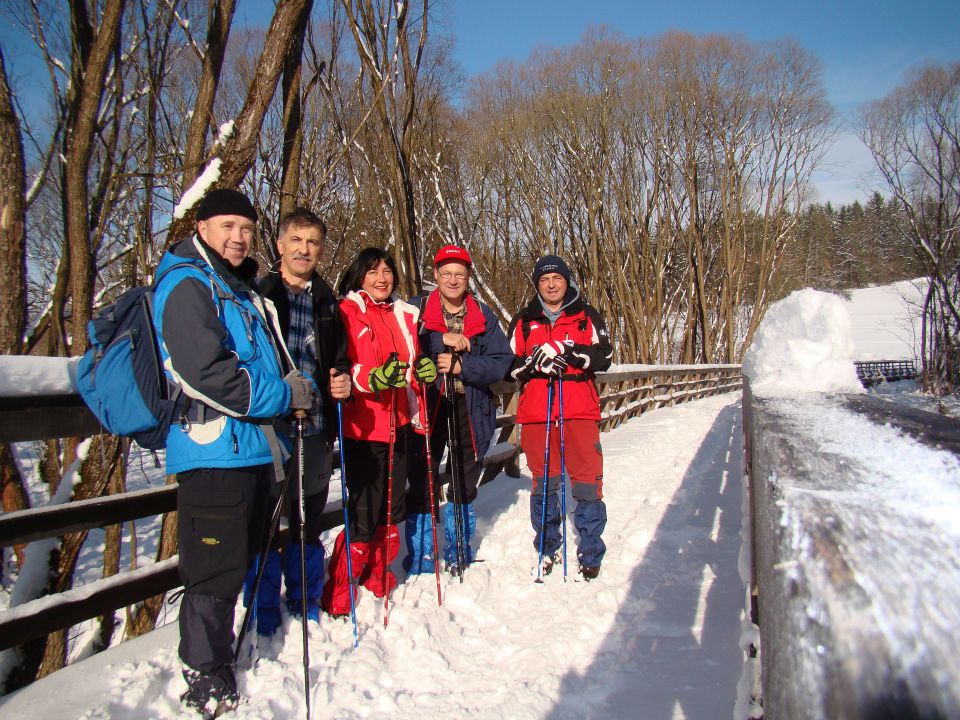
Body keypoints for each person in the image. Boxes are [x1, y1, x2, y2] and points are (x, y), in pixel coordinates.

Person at [151, 189, 315, 714]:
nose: (239, 238)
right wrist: (284, 394)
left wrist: (292, 387)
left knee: (237, 559)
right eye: (227, 226)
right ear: (202, 227)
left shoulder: (238, 290)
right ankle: (204, 674)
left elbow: (264, 361)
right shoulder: (186, 285)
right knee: (213, 570)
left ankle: (225, 654)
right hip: (212, 452)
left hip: (252, 452)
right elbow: (207, 374)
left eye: (246, 228)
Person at [242, 207, 352, 635]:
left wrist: (341, 378)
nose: (304, 250)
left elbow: (339, 356)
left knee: (307, 515)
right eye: (297, 241)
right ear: (280, 245)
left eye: (313, 243)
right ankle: (264, 610)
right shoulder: (260, 295)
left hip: (318, 424)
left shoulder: (328, 302)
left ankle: (304, 598)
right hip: (271, 426)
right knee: (267, 518)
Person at [320, 247, 436, 616]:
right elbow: (341, 367)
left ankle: (376, 574)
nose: (382, 278)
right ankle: (341, 585)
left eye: (387, 271)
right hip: (364, 427)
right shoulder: (347, 312)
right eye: (373, 271)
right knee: (366, 510)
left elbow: (414, 361)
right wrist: (370, 378)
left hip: (400, 422)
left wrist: (422, 372)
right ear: (359, 276)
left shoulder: (404, 314)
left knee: (392, 508)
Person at [404, 245, 513, 576]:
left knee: (465, 477)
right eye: (446, 273)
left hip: (471, 404)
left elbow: (502, 363)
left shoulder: (482, 315)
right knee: (423, 474)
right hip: (429, 401)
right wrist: (438, 349)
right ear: (435, 275)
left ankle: (457, 546)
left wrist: (463, 365)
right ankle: (423, 552)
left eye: (460, 274)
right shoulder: (416, 310)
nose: (453, 280)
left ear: (468, 277)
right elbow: (402, 349)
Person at [507, 255, 612, 580]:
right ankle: (547, 546)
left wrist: (574, 356)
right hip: (538, 412)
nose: (551, 285)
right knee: (545, 484)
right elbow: (509, 364)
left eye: (557, 278)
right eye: (544, 280)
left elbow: (605, 355)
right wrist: (534, 364)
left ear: (567, 281)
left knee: (586, 483)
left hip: (578, 409)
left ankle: (591, 549)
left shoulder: (586, 315)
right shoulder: (525, 320)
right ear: (537, 284)